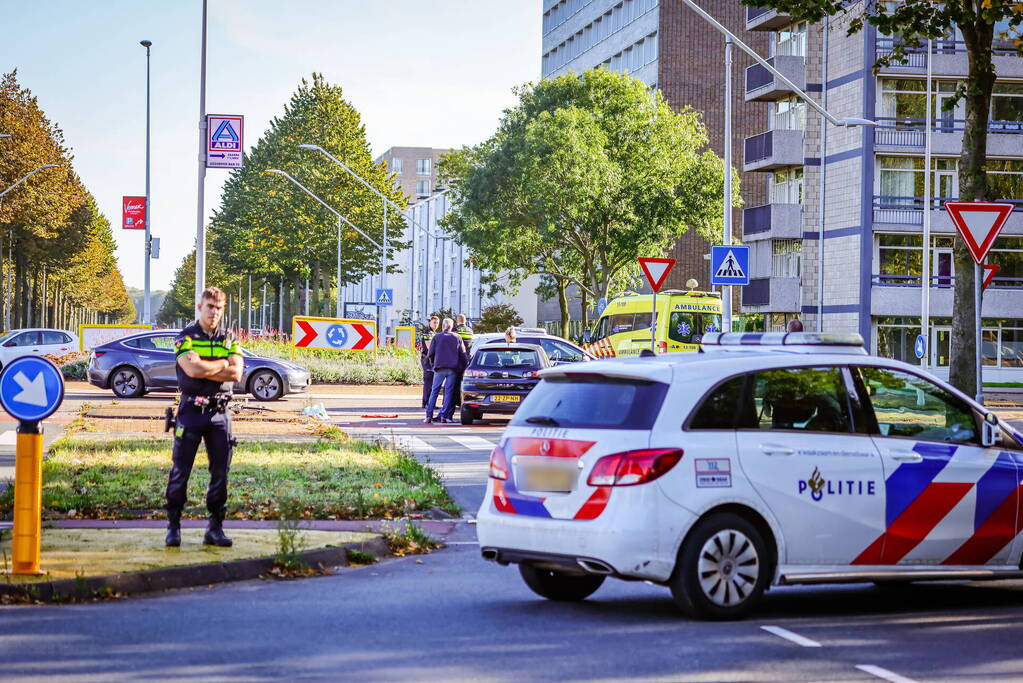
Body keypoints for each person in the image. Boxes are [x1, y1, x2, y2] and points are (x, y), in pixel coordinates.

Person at [164, 286, 244, 548]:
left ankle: (215, 528)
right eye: (210, 307)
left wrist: (209, 368)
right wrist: (221, 364)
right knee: (180, 472)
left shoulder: (229, 337)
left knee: (220, 473)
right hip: (190, 412)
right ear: (200, 308)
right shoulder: (185, 336)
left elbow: (237, 374)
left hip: (220, 412)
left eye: (219, 308)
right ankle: (173, 527)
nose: (215, 312)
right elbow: (191, 368)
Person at [425, 318, 468, 424]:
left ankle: (429, 416)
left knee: (434, 392)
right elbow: (463, 353)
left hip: (439, 368)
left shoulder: (437, 337)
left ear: (443, 326)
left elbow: (430, 353)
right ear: (451, 327)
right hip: (452, 369)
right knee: (448, 393)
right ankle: (444, 416)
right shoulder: (457, 337)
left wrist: (433, 365)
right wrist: (463, 367)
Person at [452, 314, 473, 408]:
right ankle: (462, 401)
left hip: (456, 359)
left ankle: (455, 401)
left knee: (455, 382)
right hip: (466, 359)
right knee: (463, 381)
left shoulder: (455, 331)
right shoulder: (470, 331)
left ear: (457, 321)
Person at [419, 315, 440, 408]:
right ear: (430, 322)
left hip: (432, 360)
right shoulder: (427, 332)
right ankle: (426, 402)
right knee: (428, 382)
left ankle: (430, 403)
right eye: (434, 322)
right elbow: (429, 347)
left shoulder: (434, 333)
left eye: (437, 323)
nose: (436, 324)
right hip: (427, 360)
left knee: (432, 382)